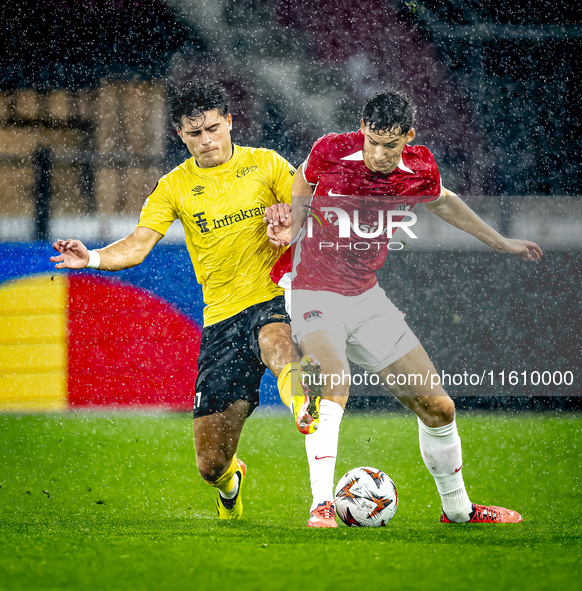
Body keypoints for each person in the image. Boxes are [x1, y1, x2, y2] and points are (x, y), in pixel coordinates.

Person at [265, 88, 543, 528]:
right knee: (334, 384)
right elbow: (304, 179)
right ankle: (321, 504)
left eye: (389, 145)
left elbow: (444, 201)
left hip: (366, 296)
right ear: (361, 131)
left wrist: (501, 242)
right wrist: (295, 224)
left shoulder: (420, 166)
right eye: (372, 141)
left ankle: (459, 511)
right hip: (312, 289)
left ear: (408, 137)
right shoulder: (331, 150)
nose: (378, 153)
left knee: (439, 408)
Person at [50, 80, 321, 521]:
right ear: (180, 134)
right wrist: (94, 257)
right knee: (209, 464)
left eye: (214, 128)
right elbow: (137, 246)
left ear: (230, 122)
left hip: (272, 296)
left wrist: (292, 219)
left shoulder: (266, 165)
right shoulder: (175, 185)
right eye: (195, 134)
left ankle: (303, 403)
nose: (207, 140)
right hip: (220, 322)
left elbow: (313, 213)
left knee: (277, 340)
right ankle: (230, 482)